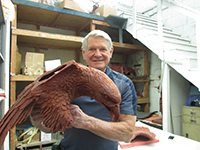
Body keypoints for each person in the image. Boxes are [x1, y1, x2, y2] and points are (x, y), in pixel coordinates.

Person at [59, 30, 138, 150]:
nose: (97, 54)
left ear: (110, 52)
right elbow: (49, 125)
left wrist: (87, 122)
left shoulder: (124, 85)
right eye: (91, 49)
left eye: (103, 49)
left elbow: (127, 134)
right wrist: (39, 121)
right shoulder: (67, 81)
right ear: (84, 53)